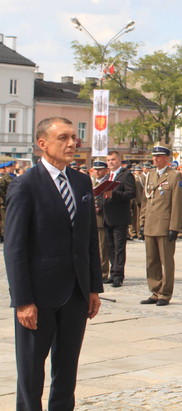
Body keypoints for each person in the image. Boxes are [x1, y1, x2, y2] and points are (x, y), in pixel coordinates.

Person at [4, 117, 103, 410]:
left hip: (75, 291)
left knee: (67, 368)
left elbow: (88, 240)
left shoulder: (81, 181)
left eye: (74, 137)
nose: (72, 143)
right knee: (32, 371)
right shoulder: (25, 186)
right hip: (39, 295)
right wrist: (23, 300)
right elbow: (15, 248)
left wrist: (93, 287)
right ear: (42, 144)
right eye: (63, 138)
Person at [139, 146, 182, 306]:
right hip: (151, 224)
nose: (155, 159)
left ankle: (165, 294)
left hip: (165, 226)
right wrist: (142, 221)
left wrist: (174, 227)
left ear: (166, 158)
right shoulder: (151, 175)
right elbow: (146, 201)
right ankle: (155, 291)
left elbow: (177, 204)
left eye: (158, 156)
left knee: (166, 261)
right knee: (151, 261)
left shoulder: (174, 176)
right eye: (154, 156)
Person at [102, 150, 137, 288]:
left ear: (119, 161)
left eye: (113, 160)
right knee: (109, 246)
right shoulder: (107, 176)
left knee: (119, 247)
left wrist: (114, 194)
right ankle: (112, 272)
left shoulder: (126, 175)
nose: (110, 162)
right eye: (108, 160)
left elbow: (131, 193)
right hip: (107, 215)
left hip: (120, 216)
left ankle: (118, 275)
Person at [93, 160, 111, 281]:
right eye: (95, 169)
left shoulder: (108, 183)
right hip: (92, 218)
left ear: (106, 170)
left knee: (102, 247)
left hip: (103, 217)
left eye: (100, 169)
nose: (97, 172)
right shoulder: (91, 181)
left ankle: (103, 272)